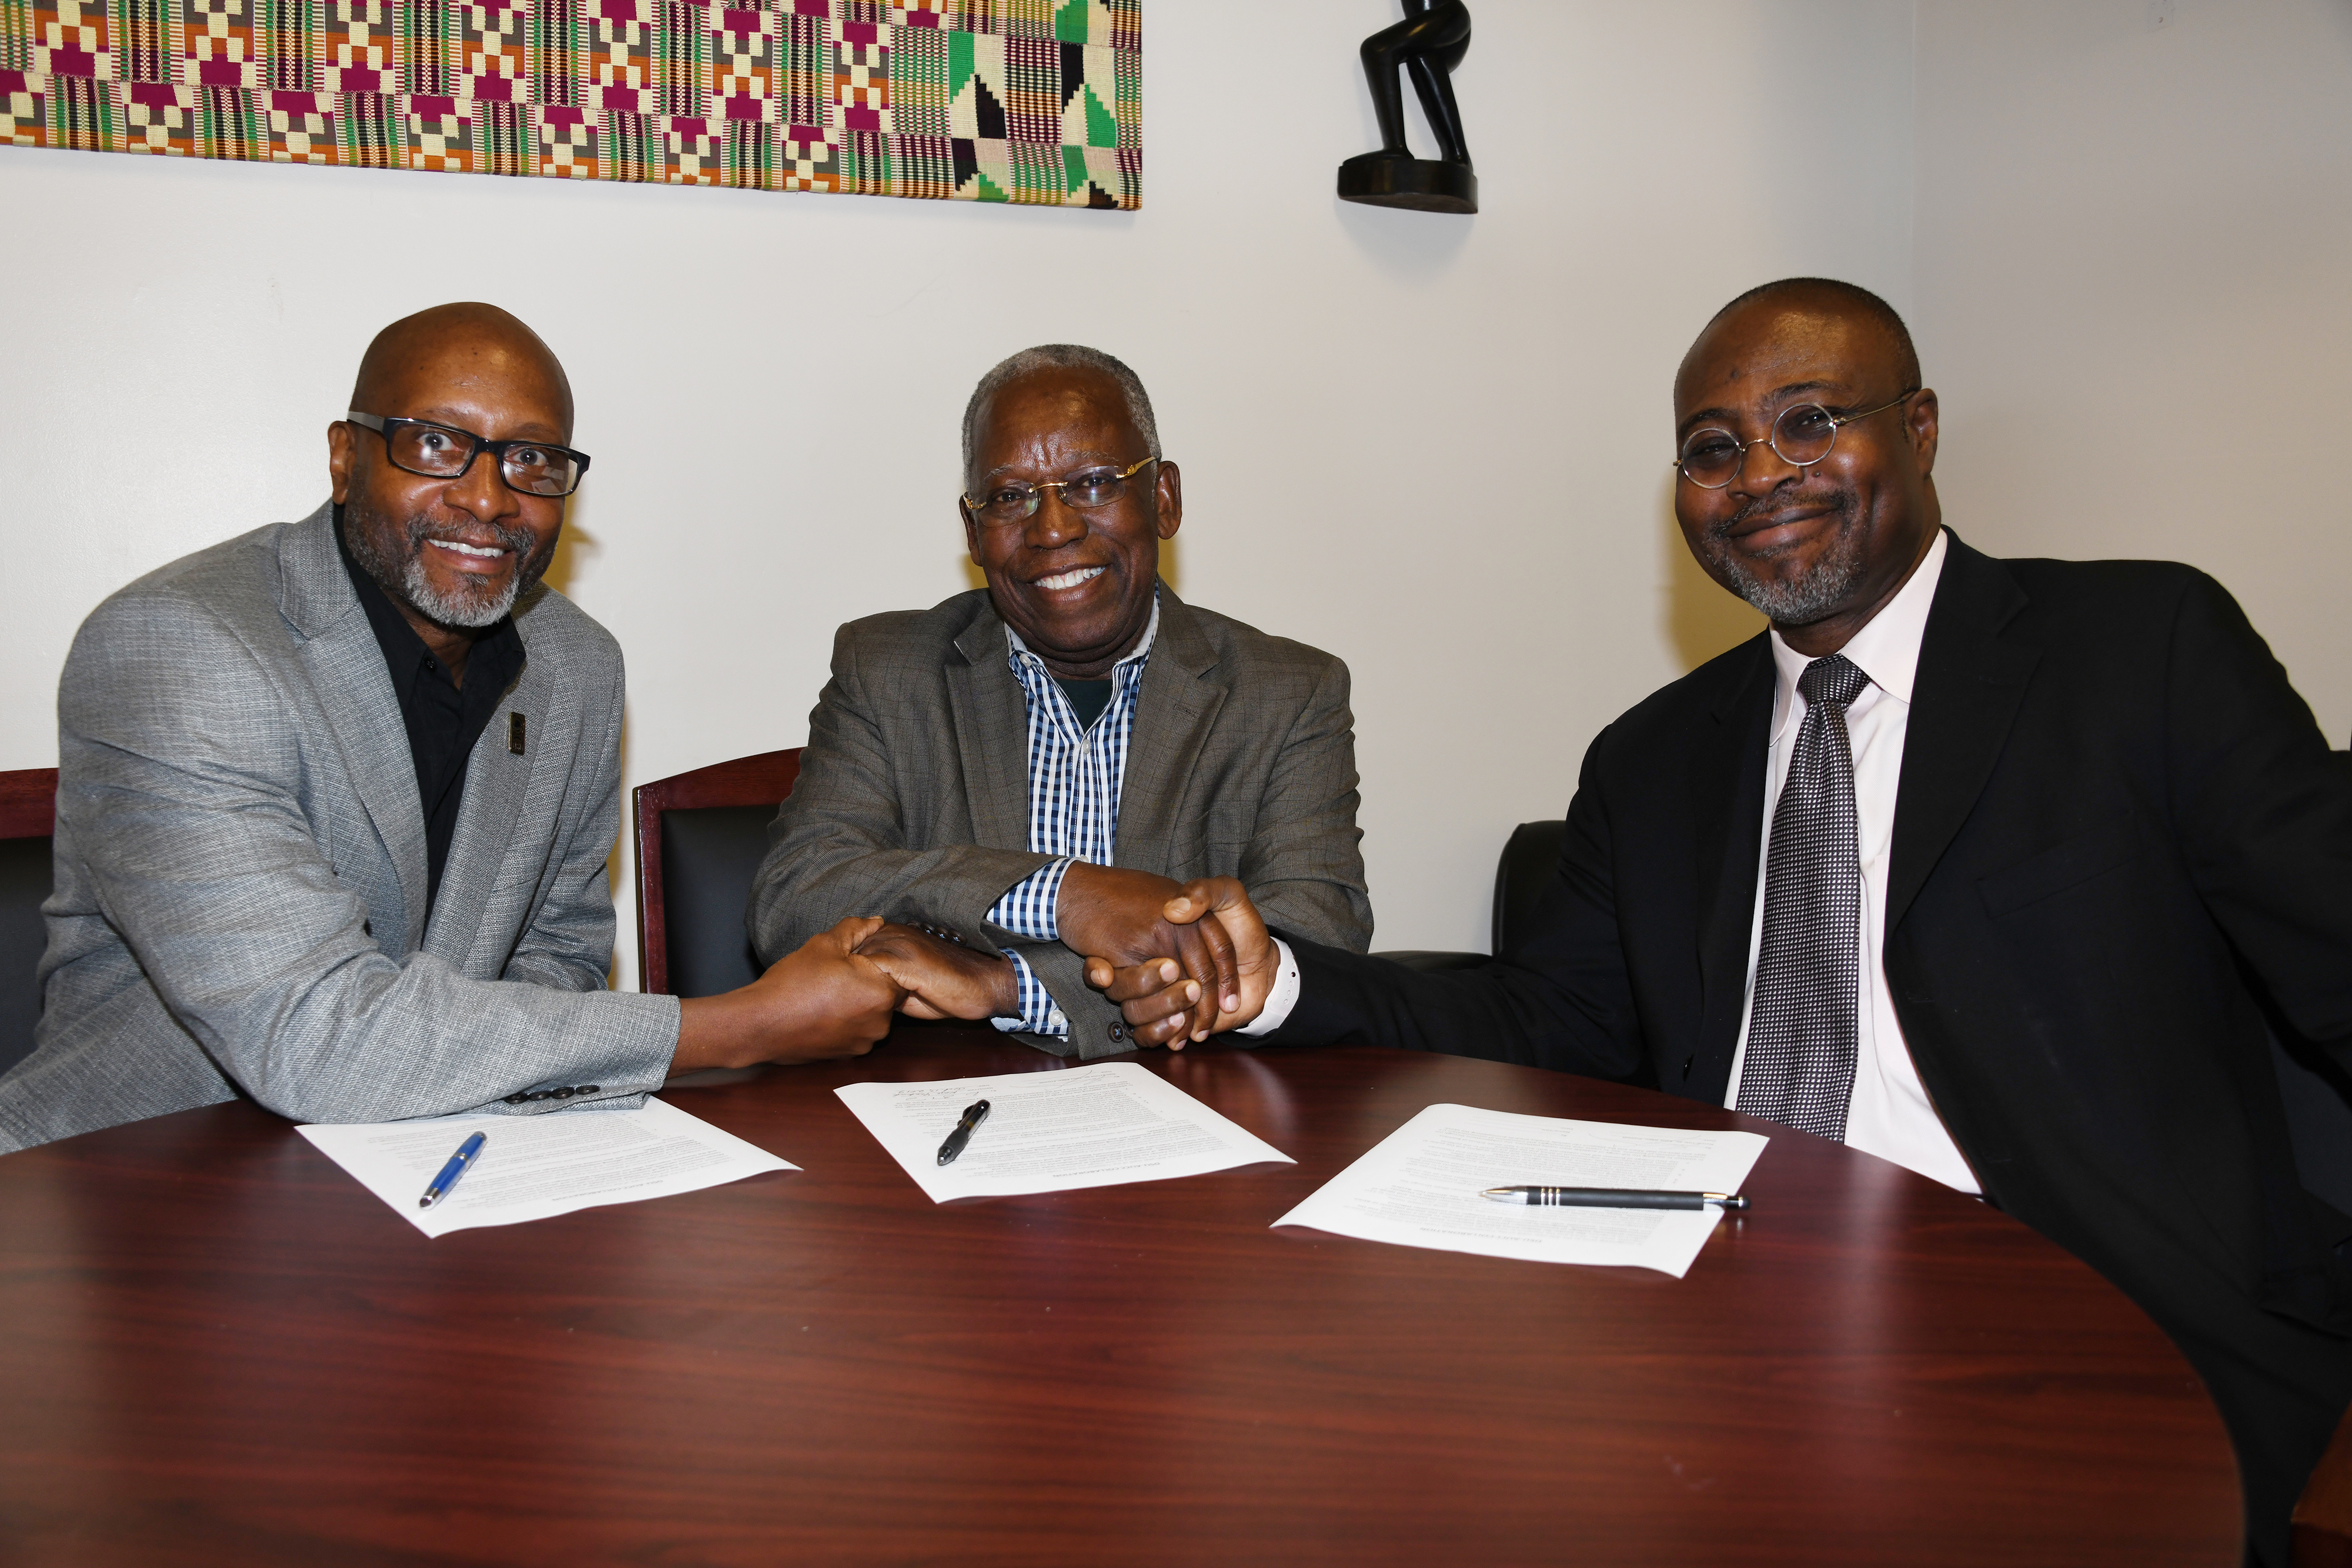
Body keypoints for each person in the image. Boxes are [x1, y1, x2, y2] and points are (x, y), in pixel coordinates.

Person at [1102, 280, 2352, 1565]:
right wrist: (1279, 984)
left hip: (2087, 1325)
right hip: (1719, 1314)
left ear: (1916, 428)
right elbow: (1557, 1017)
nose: (1758, 473)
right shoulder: (1651, 758)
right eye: (1712, 448)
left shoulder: (2136, 650)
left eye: (1808, 422)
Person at [0, 303, 913, 1155]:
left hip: (446, 1161)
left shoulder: (576, 665)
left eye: (532, 459)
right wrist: (744, 1023)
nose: (487, 497)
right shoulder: (181, 644)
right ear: (345, 457)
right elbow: (310, 1032)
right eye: (435, 443)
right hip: (143, 1181)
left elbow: (557, 952)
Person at [747, 344, 1372, 1058]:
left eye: (1093, 483)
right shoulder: (888, 671)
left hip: (1200, 1113)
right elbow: (796, 897)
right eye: (1010, 496)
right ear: (973, 529)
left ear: (1162, 499)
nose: (1052, 529)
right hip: (945, 1105)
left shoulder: (1286, 692)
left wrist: (1005, 984)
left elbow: (1317, 940)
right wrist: (1065, 894)